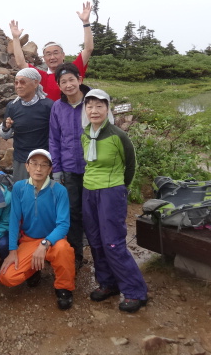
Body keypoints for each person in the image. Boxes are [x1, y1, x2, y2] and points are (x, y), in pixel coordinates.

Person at [80, 89, 148, 313]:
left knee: (113, 243)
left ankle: (135, 291)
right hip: (89, 191)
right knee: (96, 241)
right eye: (90, 106)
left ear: (107, 109)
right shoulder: (85, 134)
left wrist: (120, 188)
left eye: (99, 106)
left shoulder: (118, 135)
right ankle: (108, 282)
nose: (94, 110)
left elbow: (131, 165)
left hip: (111, 192)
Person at [0, 149, 76, 310]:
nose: (38, 169)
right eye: (34, 164)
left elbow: (63, 225)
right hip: (29, 239)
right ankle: (34, 269)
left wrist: (45, 243)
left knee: (63, 250)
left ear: (50, 169)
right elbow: (14, 220)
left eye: (43, 165)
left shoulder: (59, 191)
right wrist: (12, 250)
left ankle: (64, 288)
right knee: (7, 277)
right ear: (27, 166)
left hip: (54, 239)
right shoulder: (19, 188)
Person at [49, 63, 91, 271]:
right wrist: (56, 170)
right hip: (68, 169)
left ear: (80, 80)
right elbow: (54, 140)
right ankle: (76, 254)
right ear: (58, 85)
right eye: (63, 82)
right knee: (73, 211)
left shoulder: (92, 103)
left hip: (93, 169)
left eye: (71, 80)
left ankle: (100, 251)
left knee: (93, 210)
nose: (68, 85)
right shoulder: (57, 107)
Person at [10, 1, 94, 101]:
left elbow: (88, 49)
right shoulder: (41, 76)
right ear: (44, 58)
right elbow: (21, 63)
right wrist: (15, 38)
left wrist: (86, 23)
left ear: (63, 55)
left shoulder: (74, 70)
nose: (52, 57)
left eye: (56, 53)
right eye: (48, 54)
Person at [0, 67, 54, 182]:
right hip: (21, 160)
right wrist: (6, 128)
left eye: (22, 82)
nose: (18, 85)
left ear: (35, 83)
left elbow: (56, 134)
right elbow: (5, 135)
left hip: (43, 160)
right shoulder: (12, 106)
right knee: (23, 193)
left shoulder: (48, 106)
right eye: (16, 82)